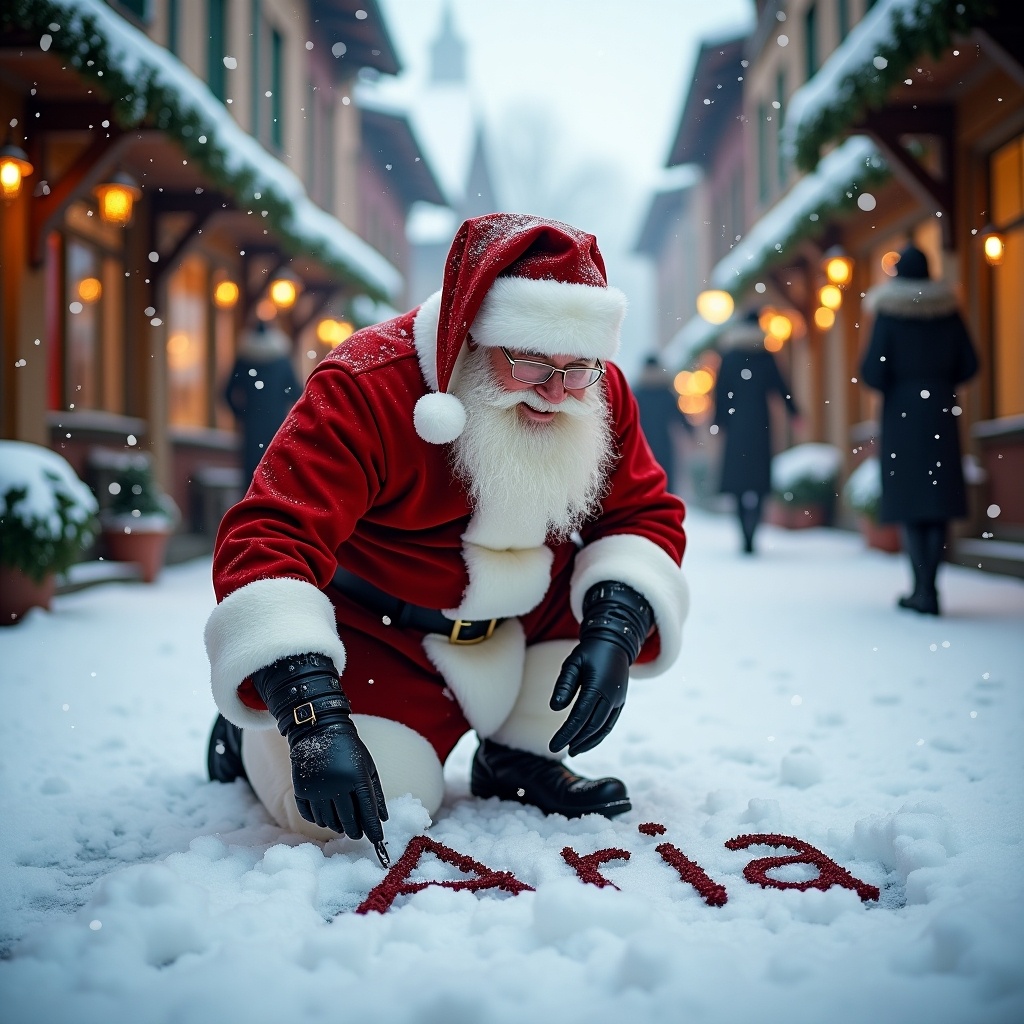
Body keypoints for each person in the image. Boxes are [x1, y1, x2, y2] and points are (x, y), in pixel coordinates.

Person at [204, 214, 689, 865]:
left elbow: (642, 512)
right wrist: (309, 710)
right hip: (382, 639)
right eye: (528, 361)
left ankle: (518, 756)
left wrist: (616, 627)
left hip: (527, 625)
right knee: (366, 813)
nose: (554, 393)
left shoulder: (596, 392)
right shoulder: (367, 386)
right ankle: (258, 735)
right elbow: (270, 535)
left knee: (604, 594)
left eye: (578, 368)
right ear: (469, 334)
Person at [860, 242, 978, 616]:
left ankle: (920, 589)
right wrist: (938, 381)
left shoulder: (889, 314)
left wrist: (902, 384)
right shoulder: (947, 311)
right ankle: (931, 588)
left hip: (902, 416)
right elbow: (971, 363)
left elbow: (871, 371)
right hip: (941, 412)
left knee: (912, 500)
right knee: (936, 502)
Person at [711, 310, 799, 553]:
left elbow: (721, 393)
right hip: (761, 424)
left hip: (736, 425)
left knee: (739, 485)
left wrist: (718, 422)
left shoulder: (729, 357)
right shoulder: (765, 355)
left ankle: (745, 536)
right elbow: (782, 387)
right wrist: (795, 412)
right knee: (759, 483)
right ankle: (753, 535)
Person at [223, 319, 302, 482]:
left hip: (251, 427)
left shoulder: (244, 361)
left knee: (251, 477)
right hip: (276, 426)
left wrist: (242, 414)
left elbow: (227, 393)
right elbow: (295, 392)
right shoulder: (282, 361)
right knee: (275, 475)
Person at [632, 354, 694, 494]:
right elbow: (680, 418)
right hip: (661, 444)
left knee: (647, 481)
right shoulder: (665, 393)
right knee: (664, 480)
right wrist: (692, 433)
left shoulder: (638, 393)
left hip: (643, 444)